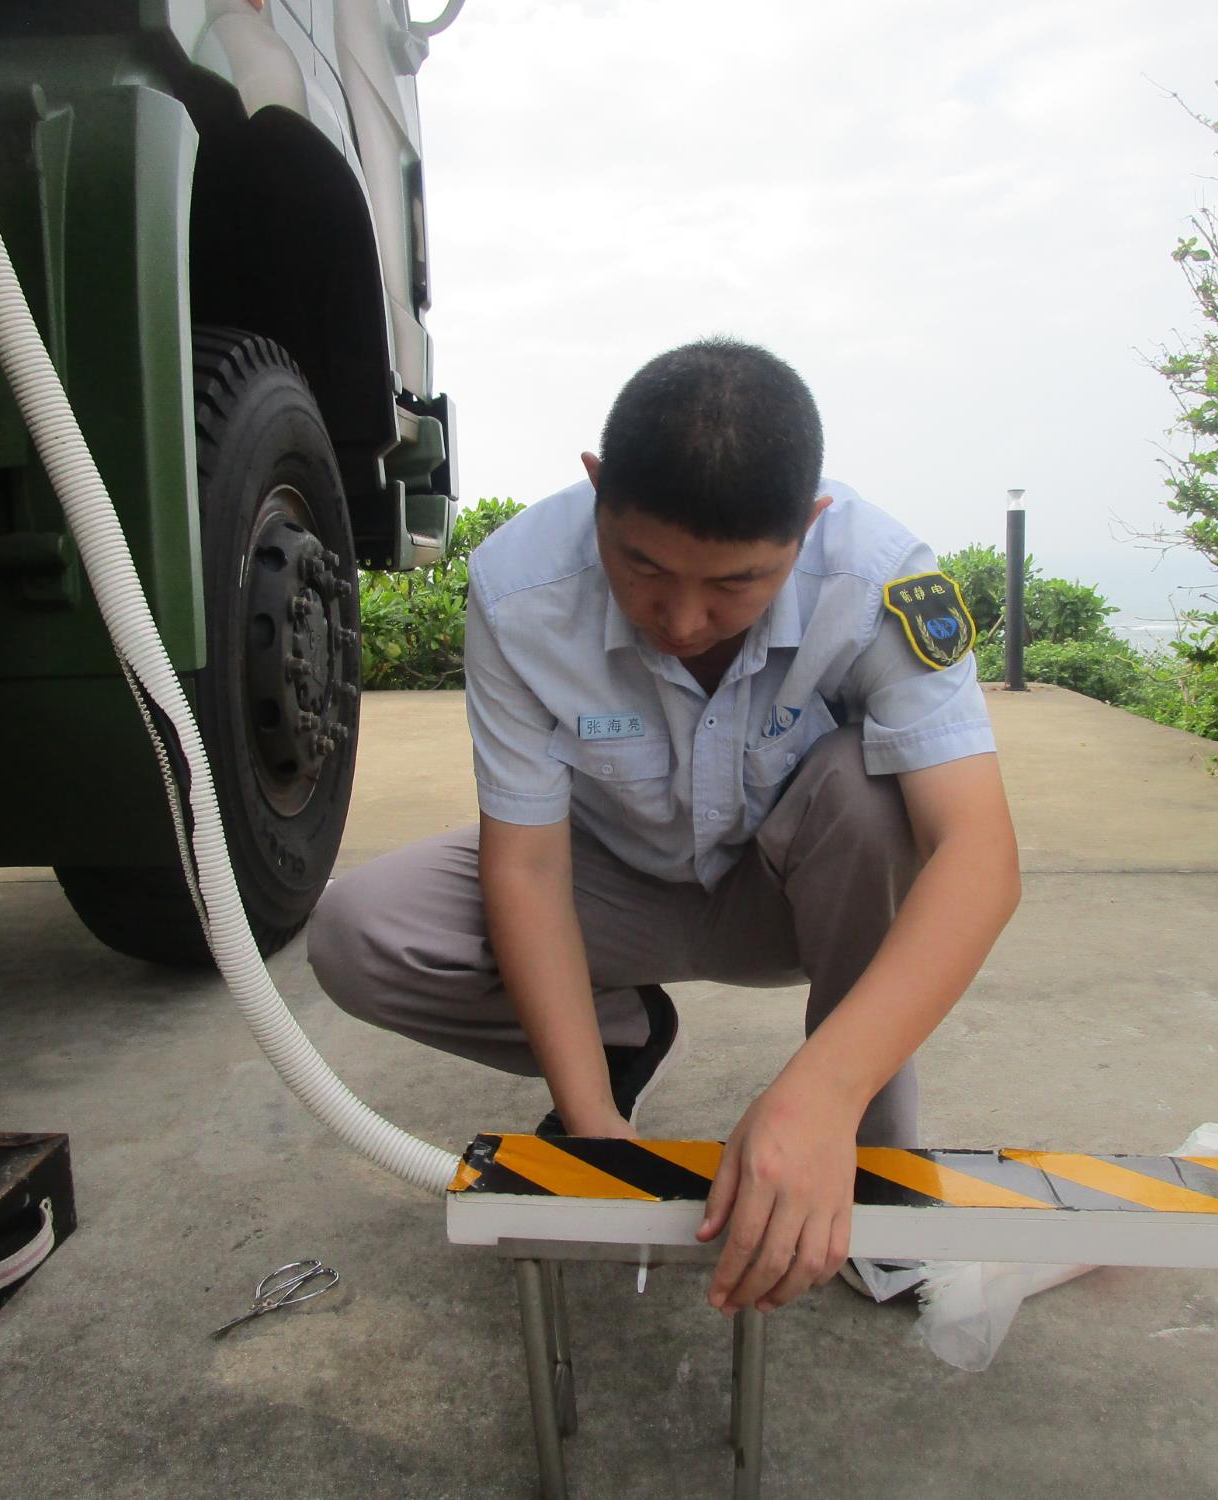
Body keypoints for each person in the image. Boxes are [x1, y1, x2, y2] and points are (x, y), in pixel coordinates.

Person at [309, 337, 1021, 1317]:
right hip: (607, 890)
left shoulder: (876, 578)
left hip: (790, 902)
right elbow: (523, 868)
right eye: (640, 565)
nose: (681, 617)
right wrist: (595, 1132)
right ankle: (617, 1040)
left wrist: (817, 1093)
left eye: (734, 583)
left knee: (870, 795)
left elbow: (978, 857)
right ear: (597, 489)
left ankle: (867, 1163)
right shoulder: (519, 589)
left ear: (806, 528)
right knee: (358, 931)